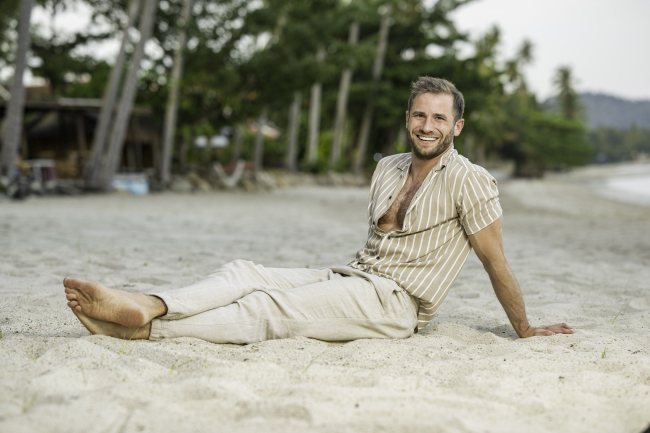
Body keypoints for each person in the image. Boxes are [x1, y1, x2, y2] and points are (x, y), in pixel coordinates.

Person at [64, 76, 573, 343]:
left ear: (457, 126)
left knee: (270, 309)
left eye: (439, 118)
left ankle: (145, 329)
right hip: (351, 275)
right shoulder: (388, 167)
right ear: (407, 118)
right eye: (420, 115)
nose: (427, 125)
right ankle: (150, 303)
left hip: (397, 304)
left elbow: (495, 262)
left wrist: (524, 328)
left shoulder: (470, 179)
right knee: (244, 273)